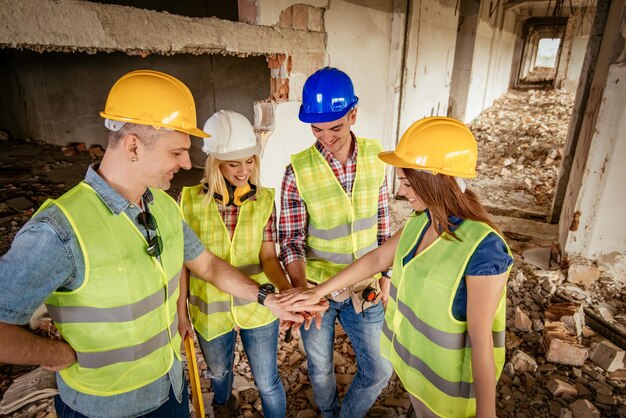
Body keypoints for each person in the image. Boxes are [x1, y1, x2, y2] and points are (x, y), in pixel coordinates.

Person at [0, 70, 323, 418]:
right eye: (177, 152)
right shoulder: (59, 230)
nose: (186, 163)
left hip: (170, 387)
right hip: (107, 408)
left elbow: (209, 266)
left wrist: (268, 298)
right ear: (134, 146)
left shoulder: (163, 207)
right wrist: (56, 355)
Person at [278, 116, 514, 418]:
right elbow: (377, 259)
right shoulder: (421, 222)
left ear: (436, 180)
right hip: (419, 383)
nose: (401, 192)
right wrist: (316, 292)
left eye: (406, 182)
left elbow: (481, 342)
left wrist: (487, 414)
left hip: (452, 399)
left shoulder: (484, 249)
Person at [278, 66, 393, 418]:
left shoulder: (377, 157)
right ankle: (328, 412)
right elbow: (291, 240)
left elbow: (384, 225)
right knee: (320, 368)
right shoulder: (297, 170)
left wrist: (386, 277)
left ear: (353, 114)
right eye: (316, 128)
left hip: (366, 287)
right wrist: (302, 291)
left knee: (379, 371)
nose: (326, 137)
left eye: (336, 127)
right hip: (318, 290)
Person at [177, 110, 291, 418]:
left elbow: (269, 256)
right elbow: (183, 265)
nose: (244, 170)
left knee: (267, 382)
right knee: (219, 375)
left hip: (259, 308)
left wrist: (286, 293)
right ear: (215, 163)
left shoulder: (265, 199)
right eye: (233, 163)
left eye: (249, 160)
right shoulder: (188, 201)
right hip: (210, 313)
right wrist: (181, 314)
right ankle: (223, 407)